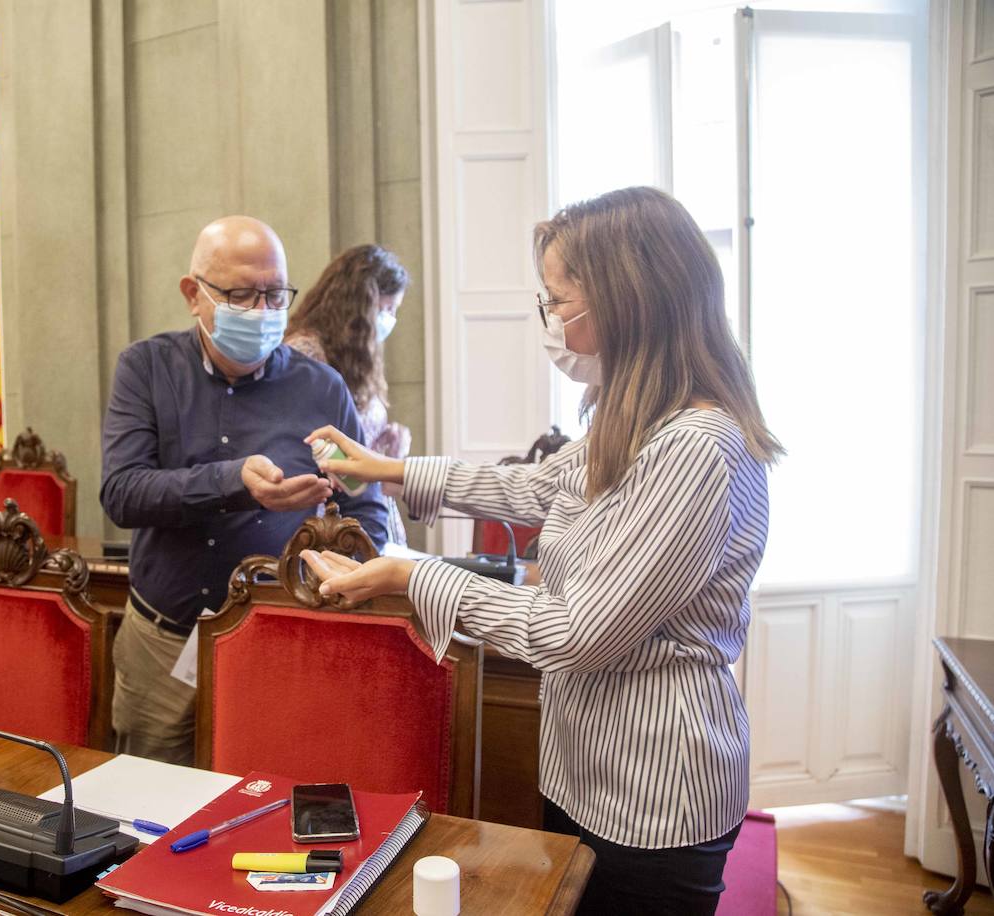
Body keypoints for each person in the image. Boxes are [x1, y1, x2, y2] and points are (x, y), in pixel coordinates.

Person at [301, 187, 783, 915]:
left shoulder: (695, 446)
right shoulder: (639, 414)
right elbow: (534, 487)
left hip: (654, 786)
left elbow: (575, 631)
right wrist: (384, 468)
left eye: (560, 304)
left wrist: (416, 575)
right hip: (587, 762)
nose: (551, 322)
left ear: (627, 303)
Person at [100, 215, 389, 765]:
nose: (261, 312)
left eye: (274, 294)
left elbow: (363, 506)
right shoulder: (146, 369)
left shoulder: (320, 388)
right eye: (240, 295)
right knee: (149, 812)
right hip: (163, 642)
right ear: (194, 294)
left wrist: (332, 579)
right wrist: (233, 482)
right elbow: (122, 493)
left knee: (263, 804)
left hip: (278, 642)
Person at [284, 244, 411, 545]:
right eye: (387, 309)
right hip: (330, 516)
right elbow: (307, 448)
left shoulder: (358, 356)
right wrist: (381, 470)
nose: (390, 319)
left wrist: (383, 452)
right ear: (361, 305)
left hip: (365, 506)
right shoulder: (306, 353)